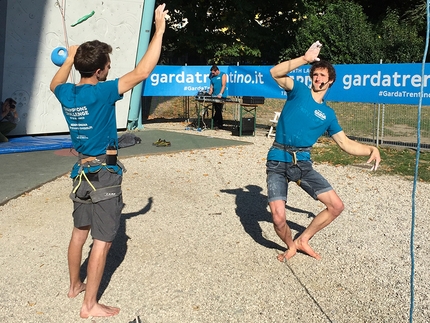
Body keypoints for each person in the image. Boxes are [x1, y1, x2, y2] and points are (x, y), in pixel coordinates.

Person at [49, 4, 168, 319]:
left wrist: (71, 58)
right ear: (100, 70)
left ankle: (75, 286)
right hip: (104, 173)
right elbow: (143, 71)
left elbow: (54, 83)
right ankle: (89, 305)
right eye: (108, 66)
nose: (109, 69)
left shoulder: (65, 93)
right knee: (101, 241)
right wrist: (159, 30)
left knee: (79, 232)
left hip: (80, 173)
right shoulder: (102, 92)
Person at [266, 41, 381, 262]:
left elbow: (345, 144)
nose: (318, 79)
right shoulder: (298, 91)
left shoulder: (328, 114)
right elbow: (274, 72)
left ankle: (303, 240)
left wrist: (370, 148)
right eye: (315, 74)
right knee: (279, 218)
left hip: (303, 164)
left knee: (336, 206)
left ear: (331, 81)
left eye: (322, 76)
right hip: (278, 160)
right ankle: (291, 245)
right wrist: (304, 59)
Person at [208, 64, 227, 129]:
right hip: (214, 96)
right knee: (216, 109)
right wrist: (209, 93)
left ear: (216, 71)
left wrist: (220, 93)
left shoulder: (223, 74)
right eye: (212, 73)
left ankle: (217, 122)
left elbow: (223, 85)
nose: (212, 74)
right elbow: (211, 87)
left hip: (221, 96)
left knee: (218, 109)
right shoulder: (212, 78)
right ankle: (218, 123)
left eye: (213, 73)